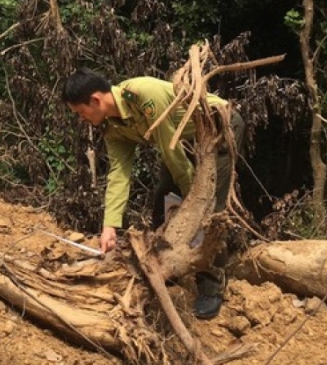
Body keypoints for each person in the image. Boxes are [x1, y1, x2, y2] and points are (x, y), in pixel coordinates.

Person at [61, 68, 245, 319]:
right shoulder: (111, 126)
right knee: (163, 201)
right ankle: (165, 267)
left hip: (219, 127)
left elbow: (171, 151)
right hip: (184, 140)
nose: (81, 119)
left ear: (95, 100)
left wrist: (195, 198)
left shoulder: (141, 94)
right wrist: (110, 226)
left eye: (80, 113)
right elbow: (119, 173)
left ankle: (211, 286)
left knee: (209, 209)